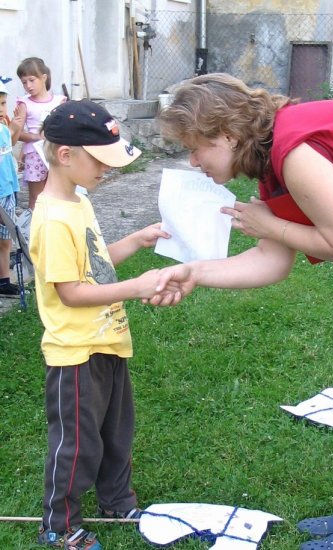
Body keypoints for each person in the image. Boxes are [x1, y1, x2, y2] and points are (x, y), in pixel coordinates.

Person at [150, 73, 333, 550]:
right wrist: (195, 271)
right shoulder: (270, 161)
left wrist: (272, 225)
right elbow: (269, 262)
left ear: (229, 135)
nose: (193, 162)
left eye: (197, 148)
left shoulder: (294, 151)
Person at [29, 98, 181, 550]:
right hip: (75, 351)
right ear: (66, 155)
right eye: (101, 160)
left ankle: (116, 501)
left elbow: (94, 268)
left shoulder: (78, 201)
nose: (108, 170)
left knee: (116, 432)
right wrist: (136, 288)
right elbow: (71, 293)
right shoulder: (53, 219)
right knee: (77, 445)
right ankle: (58, 526)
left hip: (107, 342)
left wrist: (136, 239)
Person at [16, 57, 66, 210]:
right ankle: (34, 231)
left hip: (56, 154)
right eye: (24, 82)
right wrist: (37, 137)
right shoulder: (24, 103)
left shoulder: (59, 101)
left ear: (44, 77)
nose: (28, 86)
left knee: (57, 195)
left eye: (32, 80)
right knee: (36, 198)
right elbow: (16, 132)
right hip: (34, 155)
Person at [0, 80, 22, 296]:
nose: (1, 109)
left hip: (7, 190)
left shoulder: (3, 129)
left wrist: (14, 128)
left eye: (3, 103)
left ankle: (4, 280)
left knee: (5, 239)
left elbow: (9, 146)